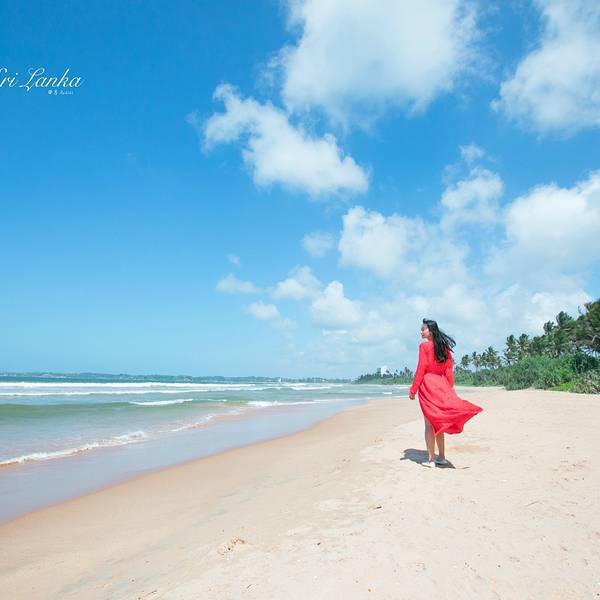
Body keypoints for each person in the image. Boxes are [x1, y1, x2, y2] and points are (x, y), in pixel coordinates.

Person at [408, 318, 483, 468]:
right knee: (438, 423)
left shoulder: (424, 346)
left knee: (429, 424)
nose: (421, 332)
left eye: (423, 329)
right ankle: (441, 457)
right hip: (442, 385)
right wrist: (448, 389)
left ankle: (431, 460)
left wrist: (413, 390)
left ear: (431, 331)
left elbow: (421, 369)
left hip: (428, 386)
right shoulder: (444, 347)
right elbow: (449, 370)